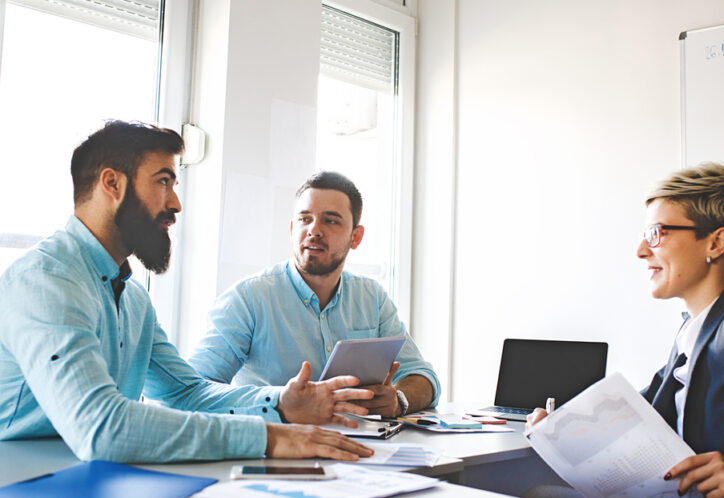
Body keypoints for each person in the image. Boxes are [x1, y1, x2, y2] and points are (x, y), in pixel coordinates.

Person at [0, 121, 374, 463]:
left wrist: (280, 403)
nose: (176, 203)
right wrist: (264, 437)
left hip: (88, 485)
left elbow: (187, 393)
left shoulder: (132, 299)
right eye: (163, 181)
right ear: (112, 184)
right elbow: (102, 427)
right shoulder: (44, 281)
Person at [527, 162, 724, 498]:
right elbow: (643, 408)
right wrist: (560, 429)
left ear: (716, 242)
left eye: (657, 233)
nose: (641, 250)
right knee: (539, 497)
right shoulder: (694, 329)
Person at [189, 171, 440, 417]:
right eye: (304, 219)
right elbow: (192, 390)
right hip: (275, 448)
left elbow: (423, 377)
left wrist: (398, 400)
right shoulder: (247, 299)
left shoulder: (372, 298)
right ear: (291, 228)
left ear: (356, 237)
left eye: (330, 220)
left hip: (359, 448)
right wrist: (279, 403)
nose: (314, 230)